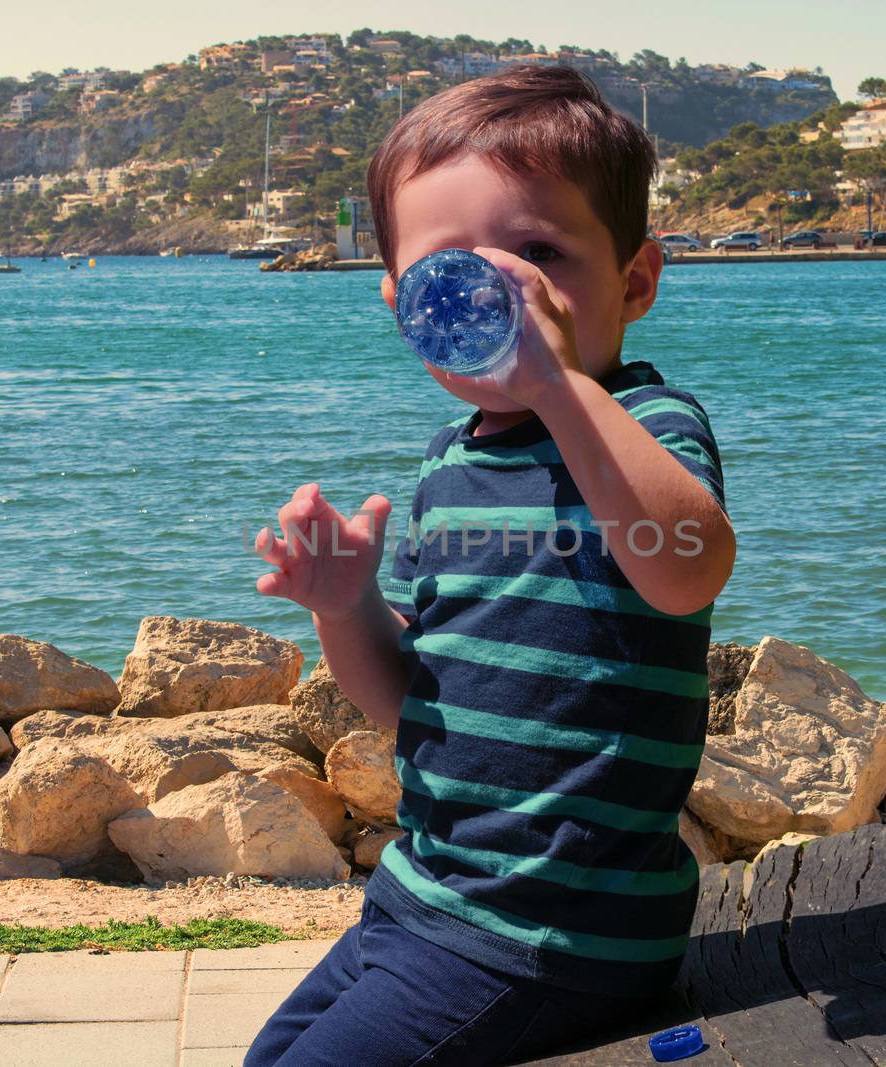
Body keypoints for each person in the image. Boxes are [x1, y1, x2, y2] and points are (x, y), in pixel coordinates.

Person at [246, 64, 735, 1067]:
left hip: (552, 934)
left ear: (634, 281)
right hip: (422, 897)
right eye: (451, 270)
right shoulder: (450, 462)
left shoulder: (646, 424)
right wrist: (346, 608)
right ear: (402, 303)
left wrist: (559, 383)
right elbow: (415, 707)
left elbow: (686, 568)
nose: (499, 289)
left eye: (539, 253)